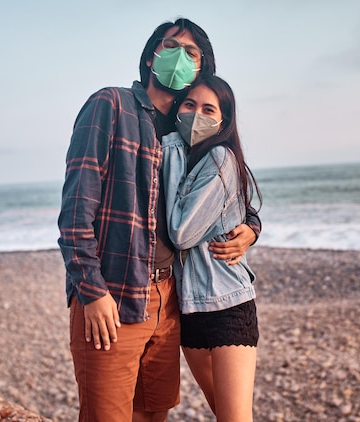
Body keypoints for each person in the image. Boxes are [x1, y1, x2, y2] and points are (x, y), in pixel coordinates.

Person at [57, 18, 261, 422]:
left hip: (170, 299)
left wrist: (251, 230)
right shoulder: (110, 105)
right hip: (114, 294)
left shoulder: (186, 130)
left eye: (191, 52)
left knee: (153, 413)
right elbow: (75, 210)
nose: (179, 57)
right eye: (171, 46)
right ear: (153, 55)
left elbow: (227, 195)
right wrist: (91, 291)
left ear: (201, 70)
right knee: (107, 415)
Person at [161, 75, 262, 421]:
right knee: (224, 414)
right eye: (190, 104)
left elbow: (182, 233)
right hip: (190, 310)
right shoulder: (191, 160)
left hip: (227, 306)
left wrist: (172, 146)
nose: (197, 114)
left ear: (223, 120)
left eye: (208, 109)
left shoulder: (219, 157)